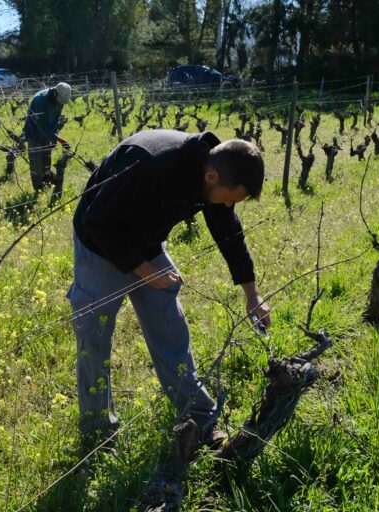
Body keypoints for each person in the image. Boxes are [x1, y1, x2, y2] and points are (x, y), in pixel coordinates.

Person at [68, 129, 272, 447]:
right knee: (94, 337)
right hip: (100, 245)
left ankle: (199, 418)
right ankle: (98, 433)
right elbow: (98, 221)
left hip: (146, 244)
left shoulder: (213, 173)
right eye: (231, 198)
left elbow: (228, 233)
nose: (229, 205)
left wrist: (252, 295)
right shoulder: (150, 164)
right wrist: (144, 270)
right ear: (212, 176)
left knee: (171, 331)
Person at [23, 82, 72, 191]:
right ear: (55, 93)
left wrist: (54, 137)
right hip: (34, 131)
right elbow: (42, 127)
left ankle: (47, 182)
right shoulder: (40, 101)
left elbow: (56, 119)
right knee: (36, 164)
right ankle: (38, 189)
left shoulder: (60, 99)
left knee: (47, 158)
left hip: (49, 131)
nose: (61, 104)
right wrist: (59, 139)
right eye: (60, 101)